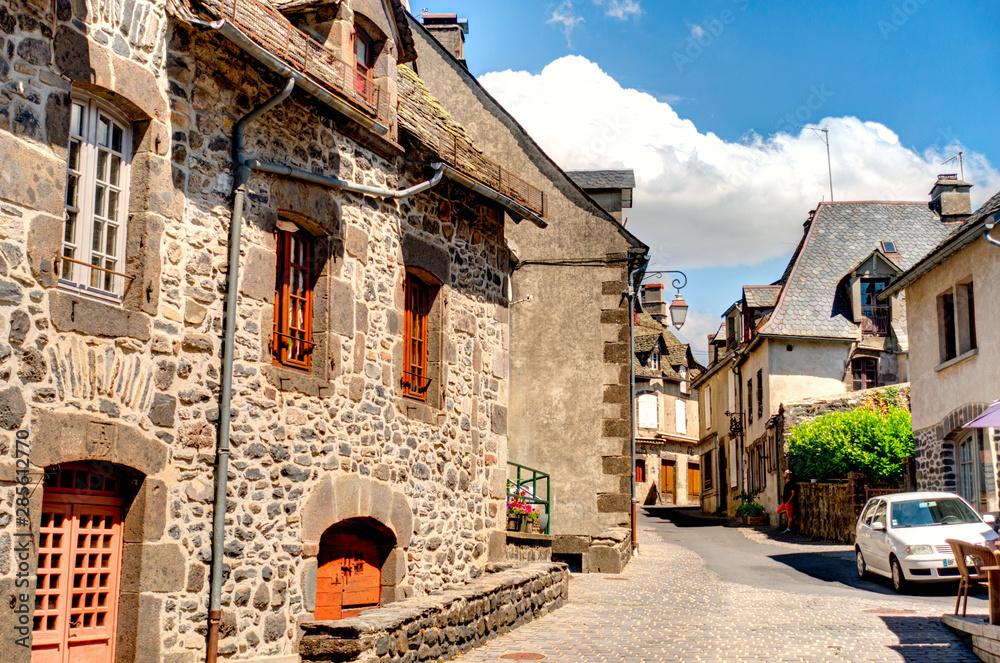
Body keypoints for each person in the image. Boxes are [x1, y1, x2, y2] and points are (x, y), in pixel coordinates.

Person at [777, 469, 798, 533]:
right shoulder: (787, 483)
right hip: (785, 502)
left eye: (785, 474)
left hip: (788, 502)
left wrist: (789, 501)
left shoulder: (791, 483)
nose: (783, 475)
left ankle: (788, 529)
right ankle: (789, 511)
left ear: (788, 475)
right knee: (778, 511)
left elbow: (793, 493)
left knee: (789, 516)